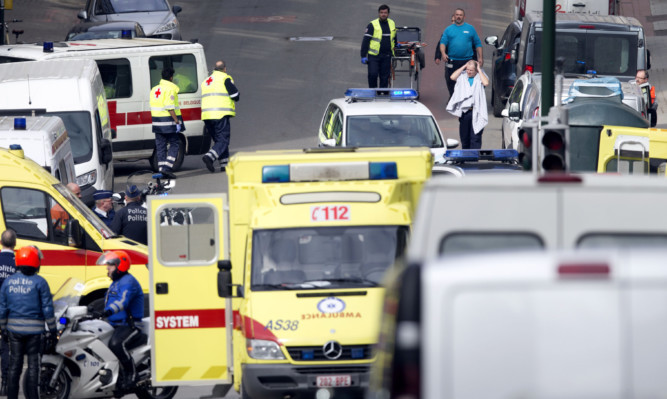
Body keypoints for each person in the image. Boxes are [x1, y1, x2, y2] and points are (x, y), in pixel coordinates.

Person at [0, 246, 56, 399]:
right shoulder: (40, 282)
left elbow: (2, 309)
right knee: (33, 368)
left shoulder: (8, 282)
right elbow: (48, 309)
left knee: (14, 366)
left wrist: (3, 329)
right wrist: (53, 330)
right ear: (36, 263)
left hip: (14, 332)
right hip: (35, 333)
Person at [94, 251, 144, 392]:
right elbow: (107, 302)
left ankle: (132, 375)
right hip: (114, 324)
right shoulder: (116, 283)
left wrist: (107, 311)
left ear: (120, 265)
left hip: (129, 325)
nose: (107, 268)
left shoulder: (129, 282)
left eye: (110, 266)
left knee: (117, 344)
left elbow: (123, 302)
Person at [201, 60, 240, 173]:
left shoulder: (207, 81)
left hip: (207, 115)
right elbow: (235, 95)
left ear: (214, 69)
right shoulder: (225, 78)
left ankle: (224, 164)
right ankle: (209, 157)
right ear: (224, 69)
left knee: (219, 140)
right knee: (223, 140)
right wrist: (237, 95)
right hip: (219, 114)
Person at [439, 8, 483, 99]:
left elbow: (478, 43)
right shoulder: (448, 29)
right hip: (452, 61)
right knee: (450, 80)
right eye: (457, 15)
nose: (458, 17)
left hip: (467, 61)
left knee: (468, 80)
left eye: (460, 15)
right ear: (454, 16)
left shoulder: (470, 28)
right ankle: (452, 97)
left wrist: (480, 57)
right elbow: (443, 43)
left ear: (464, 17)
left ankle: (466, 98)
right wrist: (443, 53)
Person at [446, 60, 489, 149]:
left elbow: (486, 83)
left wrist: (479, 70)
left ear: (476, 70)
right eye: (467, 70)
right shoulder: (462, 76)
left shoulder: (479, 77)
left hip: (476, 111)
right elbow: (452, 77)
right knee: (464, 138)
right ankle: (465, 158)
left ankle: (474, 159)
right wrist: (464, 66)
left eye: (471, 70)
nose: (468, 72)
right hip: (465, 113)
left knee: (475, 138)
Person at [150, 67, 183, 180]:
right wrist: (177, 121)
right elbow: (170, 107)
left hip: (156, 123)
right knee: (175, 143)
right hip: (168, 122)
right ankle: (167, 168)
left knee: (161, 147)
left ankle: (161, 170)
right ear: (171, 78)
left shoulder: (154, 89)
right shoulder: (170, 89)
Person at [360, 4, 397, 88]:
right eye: (381, 12)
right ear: (378, 13)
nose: (383, 14)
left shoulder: (392, 23)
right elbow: (366, 41)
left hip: (387, 55)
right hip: (374, 56)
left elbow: (394, 36)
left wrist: (396, 44)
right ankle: (372, 92)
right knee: (373, 74)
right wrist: (363, 55)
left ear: (388, 14)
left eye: (385, 12)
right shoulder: (372, 25)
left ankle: (382, 95)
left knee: (384, 77)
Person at [0, 231, 16, 396]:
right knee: (8, 346)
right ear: (15, 243)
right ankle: (6, 382)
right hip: (12, 311)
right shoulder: (18, 262)